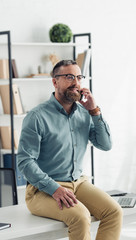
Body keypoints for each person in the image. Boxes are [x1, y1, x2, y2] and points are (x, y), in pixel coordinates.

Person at [17, 60, 122, 240]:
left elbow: (105, 145)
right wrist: (54, 188)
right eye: (69, 77)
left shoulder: (84, 113)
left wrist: (94, 111)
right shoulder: (36, 116)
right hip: (42, 190)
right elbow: (25, 162)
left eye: (78, 77)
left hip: (78, 183)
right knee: (81, 217)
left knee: (114, 212)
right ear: (55, 82)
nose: (76, 82)